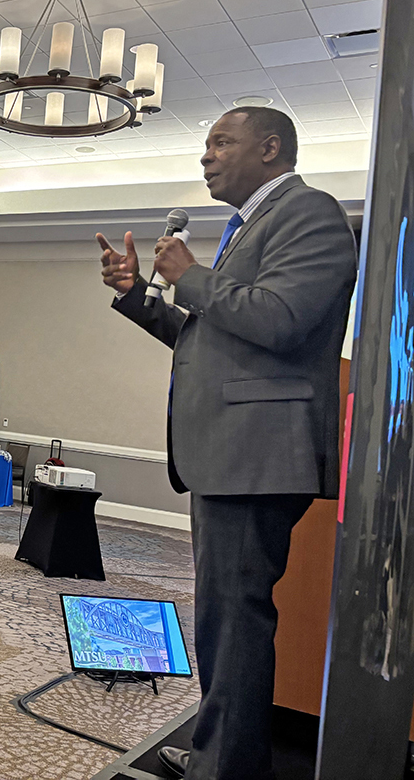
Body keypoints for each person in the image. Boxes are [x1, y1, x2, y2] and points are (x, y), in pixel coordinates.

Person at [98, 107, 356, 780]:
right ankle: (221, 750)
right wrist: (138, 296)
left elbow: (281, 319)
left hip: (259, 454)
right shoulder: (249, 230)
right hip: (230, 454)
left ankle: (228, 769)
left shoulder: (311, 214)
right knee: (221, 616)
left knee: (235, 619)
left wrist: (190, 275)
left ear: (270, 149)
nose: (206, 157)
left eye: (221, 142)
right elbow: (207, 339)